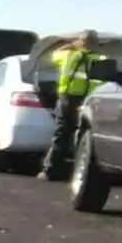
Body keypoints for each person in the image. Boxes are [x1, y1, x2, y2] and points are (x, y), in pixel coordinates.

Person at [40, 30, 109, 180]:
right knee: (86, 135)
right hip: (89, 100)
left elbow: (54, 54)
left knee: (62, 133)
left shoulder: (68, 55)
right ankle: (79, 171)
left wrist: (72, 44)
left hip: (68, 99)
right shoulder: (101, 59)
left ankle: (51, 170)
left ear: (81, 41)